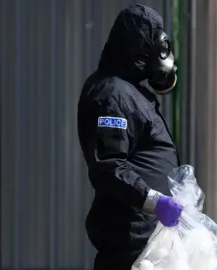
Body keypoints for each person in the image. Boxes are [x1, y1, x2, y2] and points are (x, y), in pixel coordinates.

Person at [77, 5, 183, 270]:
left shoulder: (128, 91)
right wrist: (155, 202)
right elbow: (110, 166)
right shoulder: (112, 95)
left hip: (148, 239)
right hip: (131, 243)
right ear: (140, 44)